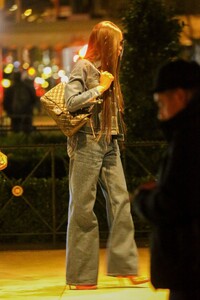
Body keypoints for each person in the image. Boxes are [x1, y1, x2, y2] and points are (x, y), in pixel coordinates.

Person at [64, 21, 149, 290]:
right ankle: (81, 277)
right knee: (83, 209)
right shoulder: (84, 67)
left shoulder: (108, 71)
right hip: (87, 143)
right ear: (105, 43)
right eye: (119, 43)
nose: (122, 49)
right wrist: (99, 89)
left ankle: (124, 266)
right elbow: (70, 102)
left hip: (109, 142)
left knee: (121, 202)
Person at [133, 59, 200, 300]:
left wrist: (144, 198)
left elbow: (175, 201)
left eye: (161, 103)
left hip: (190, 267)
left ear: (179, 96)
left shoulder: (188, 137)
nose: (160, 114)